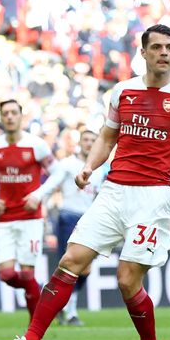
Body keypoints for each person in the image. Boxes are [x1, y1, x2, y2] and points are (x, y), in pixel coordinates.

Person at [0, 24, 170, 340]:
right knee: (70, 261)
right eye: (156, 47)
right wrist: (89, 166)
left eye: (169, 47)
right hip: (113, 191)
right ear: (142, 53)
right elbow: (106, 137)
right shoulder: (122, 92)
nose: (163, 53)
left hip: (152, 196)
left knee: (127, 280)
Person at [0, 98, 54, 321]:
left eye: (14, 113)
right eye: (6, 113)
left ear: (21, 116)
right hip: (5, 219)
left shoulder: (37, 145)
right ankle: (35, 288)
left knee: (26, 272)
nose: (10, 117)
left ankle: (33, 334)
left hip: (30, 218)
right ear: (1, 118)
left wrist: (38, 195)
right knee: (5, 274)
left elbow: (58, 173)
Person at [32, 129, 106, 326]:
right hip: (68, 217)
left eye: (93, 140)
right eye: (86, 140)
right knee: (71, 265)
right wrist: (37, 198)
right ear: (79, 143)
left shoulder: (99, 169)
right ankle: (70, 311)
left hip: (90, 219)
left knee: (86, 269)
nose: (89, 143)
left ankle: (62, 305)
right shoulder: (67, 165)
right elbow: (50, 185)